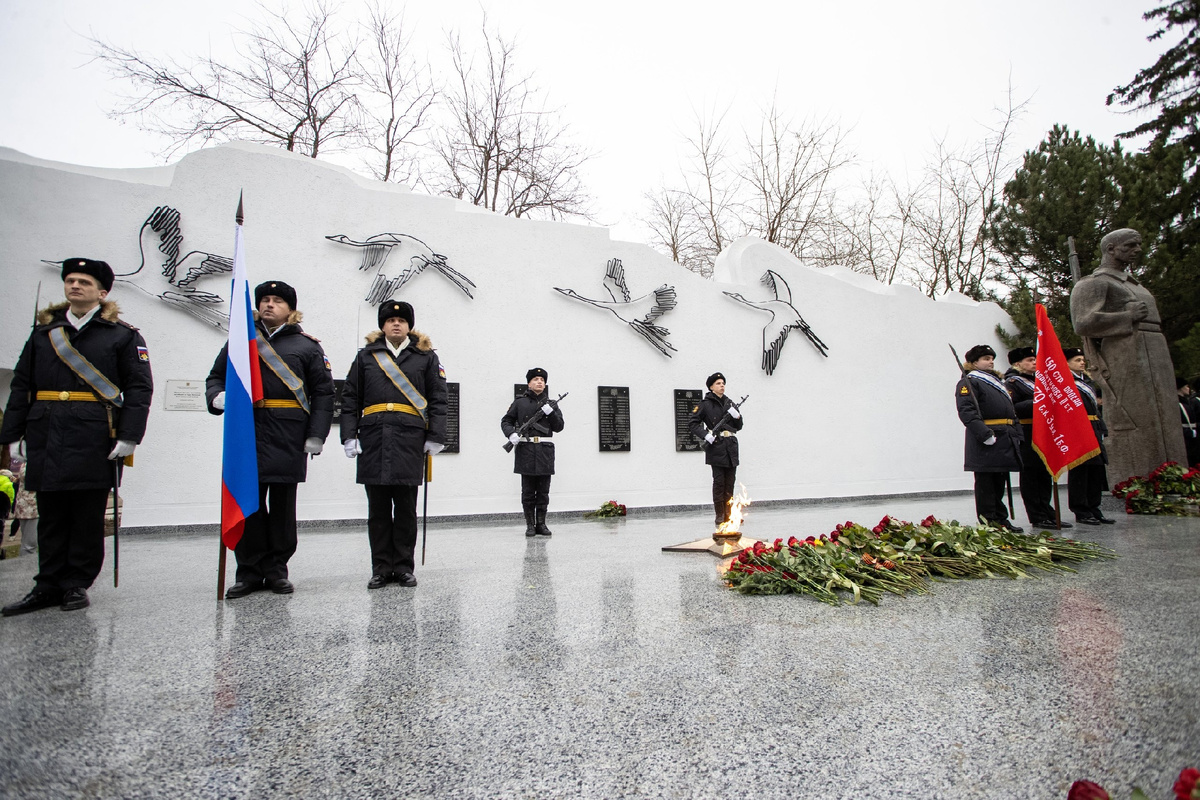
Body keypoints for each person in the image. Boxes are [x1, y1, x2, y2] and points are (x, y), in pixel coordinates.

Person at [0, 258, 153, 616]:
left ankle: (75, 584)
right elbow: (23, 384)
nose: (75, 286)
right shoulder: (44, 334)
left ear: (102, 292)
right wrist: (14, 434)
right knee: (51, 510)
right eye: (70, 280)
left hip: (95, 432)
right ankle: (47, 583)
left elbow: (138, 388)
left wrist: (130, 436)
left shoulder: (124, 336)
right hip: (47, 429)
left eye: (84, 281)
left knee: (86, 512)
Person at [206, 280, 335, 599]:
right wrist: (216, 397)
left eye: (277, 300)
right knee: (247, 503)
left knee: (281, 506)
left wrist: (316, 434)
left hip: (288, 433)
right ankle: (248, 572)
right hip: (247, 431)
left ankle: (277, 569)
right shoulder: (239, 341)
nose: (269, 305)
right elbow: (216, 377)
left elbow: (322, 393)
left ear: (290, 309)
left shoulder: (307, 347)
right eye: (265, 299)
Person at [341, 300, 447, 589]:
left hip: (409, 439)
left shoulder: (425, 358)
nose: (396, 324)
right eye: (389, 320)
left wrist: (435, 436)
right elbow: (351, 398)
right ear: (382, 325)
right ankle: (380, 568)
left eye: (401, 320)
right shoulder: (365, 357)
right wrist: (349, 435)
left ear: (409, 325)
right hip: (374, 438)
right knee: (376, 510)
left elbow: (438, 400)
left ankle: (403, 567)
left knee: (405, 509)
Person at [1070, 228, 1188, 483]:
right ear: (1110, 248)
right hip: (1126, 351)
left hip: (1154, 347)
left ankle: (1175, 475)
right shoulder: (1096, 282)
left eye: (1139, 244)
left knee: (1165, 414)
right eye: (1130, 245)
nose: (1137, 249)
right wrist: (1127, 317)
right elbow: (1082, 323)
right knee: (1136, 414)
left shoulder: (1133, 283)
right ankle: (1137, 481)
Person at [955, 345, 1023, 532]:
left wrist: (1017, 433)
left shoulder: (997, 382)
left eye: (992, 358)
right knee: (986, 484)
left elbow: (1011, 410)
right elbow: (967, 411)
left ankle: (1001, 519)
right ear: (974, 362)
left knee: (999, 481)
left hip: (1004, 436)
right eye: (986, 358)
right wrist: (984, 434)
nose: (991, 361)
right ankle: (989, 521)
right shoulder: (969, 382)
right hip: (987, 438)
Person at [1004, 347, 1070, 529]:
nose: (1034, 362)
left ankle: (1048, 511)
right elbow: (1013, 406)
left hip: (1045, 431)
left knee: (1045, 472)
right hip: (1027, 431)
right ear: (1018, 363)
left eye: (1035, 359)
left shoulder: (1038, 381)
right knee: (1031, 474)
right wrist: (1039, 401)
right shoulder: (1012, 382)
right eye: (1029, 360)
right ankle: (1036, 515)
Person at [501, 368, 566, 537]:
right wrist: (511, 433)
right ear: (529, 383)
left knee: (543, 492)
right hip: (527, 450)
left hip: (544, 451)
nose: (539, 382)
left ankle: (541, 524)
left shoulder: (551, 404)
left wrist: (550, 413)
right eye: (536, 379)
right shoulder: (519, 403)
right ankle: (530, 524)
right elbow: (506, 420)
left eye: (542, 380)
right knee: (528, 492)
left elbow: (559, 427)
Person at [689, 372, 744, 531]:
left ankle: (730, 514)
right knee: (719, 482)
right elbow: (693, 423)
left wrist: (737, 417)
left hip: (731, 445)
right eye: (718, 383)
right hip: (716, 445)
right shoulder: (705, 404)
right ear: (711, 386)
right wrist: (706, 435)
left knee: (730, 482)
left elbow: (739, 427)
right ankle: (720, 514)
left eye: (723, 383)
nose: (722, 386)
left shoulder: (729, 403)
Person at [1065, 348, 1113, 525]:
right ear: (1067, 363)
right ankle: (1081, 509)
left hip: (1093, 427)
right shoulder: (1065, 381)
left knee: (1096, 470)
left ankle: (1094, 507)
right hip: (1077, 429)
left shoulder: (1087, 381)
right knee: (1080, 470)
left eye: (1082, 359)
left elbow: (1094, 408)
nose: (1082, 362)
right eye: (1077, 360)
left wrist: (1101, 427)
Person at [1179, 377, 1200, 467]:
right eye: (1186, 386)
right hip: (1190, 438)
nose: (1189, 388)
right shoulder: (1194, 401)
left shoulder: (1186, 402)